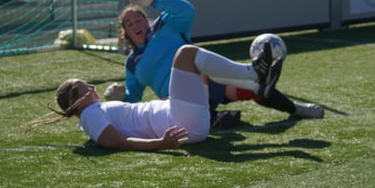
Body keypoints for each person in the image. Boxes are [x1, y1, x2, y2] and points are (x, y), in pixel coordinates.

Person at [105, 0, 324, 123]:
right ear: (125, 33)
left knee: (253, 90)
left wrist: (154, 0)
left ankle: (293, 108)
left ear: (147, 20)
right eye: (130, 23)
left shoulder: (166, 24)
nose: (136, 24)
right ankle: (252, 75)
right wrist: (119, 97)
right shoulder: (132, 63)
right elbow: (134, 97)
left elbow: (187, 10)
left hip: (204, 78)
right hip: (179, 98)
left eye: (139, 19)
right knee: (247, 85)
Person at [31, 38, 283, 150]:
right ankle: (253, 73)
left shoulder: (94, 113)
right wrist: (161, 144)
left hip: (182, 120)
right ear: (77, 98)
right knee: (186, 54)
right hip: (181, 124)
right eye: (86, 86)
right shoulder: (89, 116)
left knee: (199, 68)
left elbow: (135, 120)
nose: (93, 87)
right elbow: (117, 143)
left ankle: (257, 86)